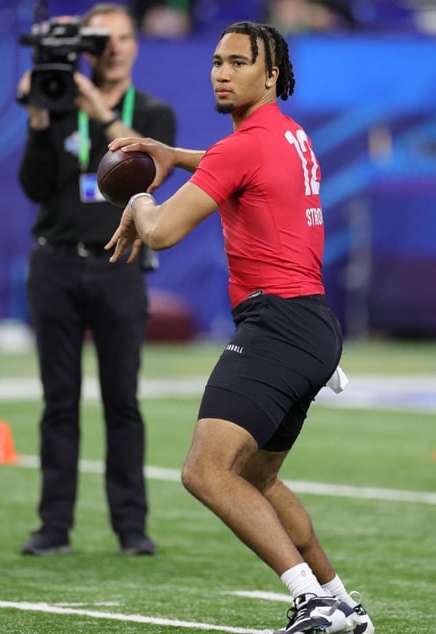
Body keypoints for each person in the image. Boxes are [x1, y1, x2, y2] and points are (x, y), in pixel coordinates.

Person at [104, 21, 373, 634]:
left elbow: (164, 232)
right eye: (216, 62)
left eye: (237, 62)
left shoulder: (242, 146)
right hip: (312, 325)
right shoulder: (288, 135)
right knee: (257, 476)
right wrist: (176, 158)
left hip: (275, 323)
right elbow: (239, 163)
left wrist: (138, 200)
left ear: (270, 73)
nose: (221, 73)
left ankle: (314, 602)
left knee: (205, 470)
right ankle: (343, 603)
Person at [15, 2, 176, 557]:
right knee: (58, 401)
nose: (114, 46)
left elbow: (151, 168)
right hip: (55, 261)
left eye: (124, 36)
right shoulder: (58, 106)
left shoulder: (152, 113)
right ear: (87, 46)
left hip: (119, 264)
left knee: (121, 401)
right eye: (102, 38)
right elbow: (34, 186)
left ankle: (131, 528)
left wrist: (94, 106)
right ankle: (53, 526)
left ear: (134, 44)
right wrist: (41, 116)